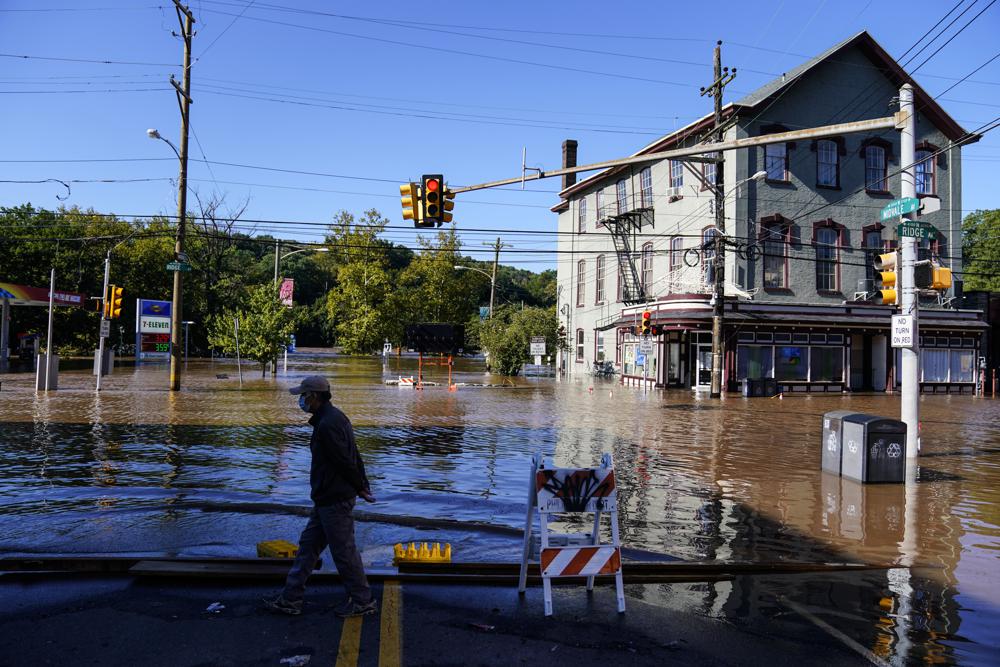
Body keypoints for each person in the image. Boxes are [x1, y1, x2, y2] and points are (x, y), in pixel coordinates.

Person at [264, 375, 377, 617]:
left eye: (304, 396)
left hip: (334, 499)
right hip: (326, 498)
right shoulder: (335, 418)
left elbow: (345, 461)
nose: (302, 401)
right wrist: (363, 483)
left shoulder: (327, 425)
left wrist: (360, 487)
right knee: (308, 548)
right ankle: (290, 599)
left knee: (344, 553)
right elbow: (354, 454)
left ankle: (363, 601)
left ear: (314, 396)